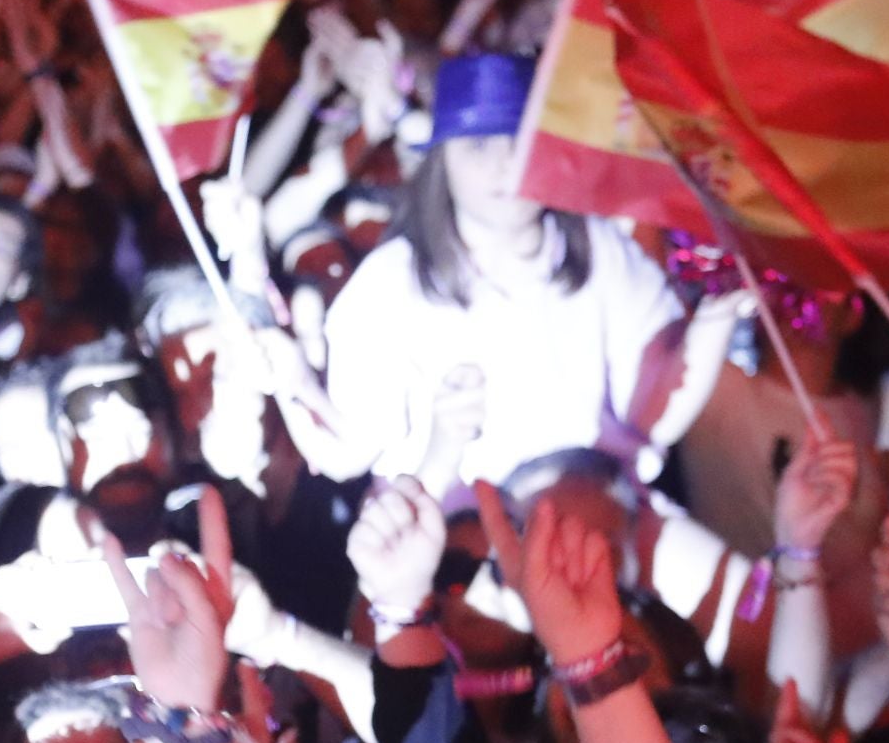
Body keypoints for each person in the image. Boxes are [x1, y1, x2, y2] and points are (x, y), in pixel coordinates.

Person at [313, 52, 745, 492]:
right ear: (441, 161)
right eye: (478, 146)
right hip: (462, 530)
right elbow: (354, 456)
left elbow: (653, 418)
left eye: (521, 140)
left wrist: (718, 317)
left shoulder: (600, 248)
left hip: (600, 506)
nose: (506, 164)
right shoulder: (386, 285)